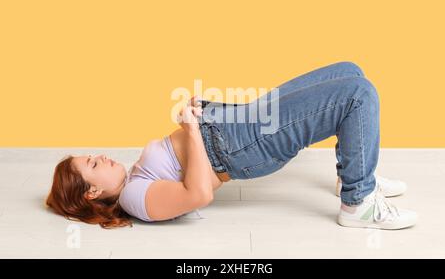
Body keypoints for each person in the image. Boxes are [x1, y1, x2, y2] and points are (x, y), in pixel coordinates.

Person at [46, 61, 417, 229]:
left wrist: (198, 114)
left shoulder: (134, 179)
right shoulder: (133, 200)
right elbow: (198, 194)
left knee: (348, 71)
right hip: (241, 145)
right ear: (93, 192)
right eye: (93, 163)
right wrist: (191, 129)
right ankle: (358, 202)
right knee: (358, 94)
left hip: (232, 124)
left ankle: (355, 172)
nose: (102, 156)